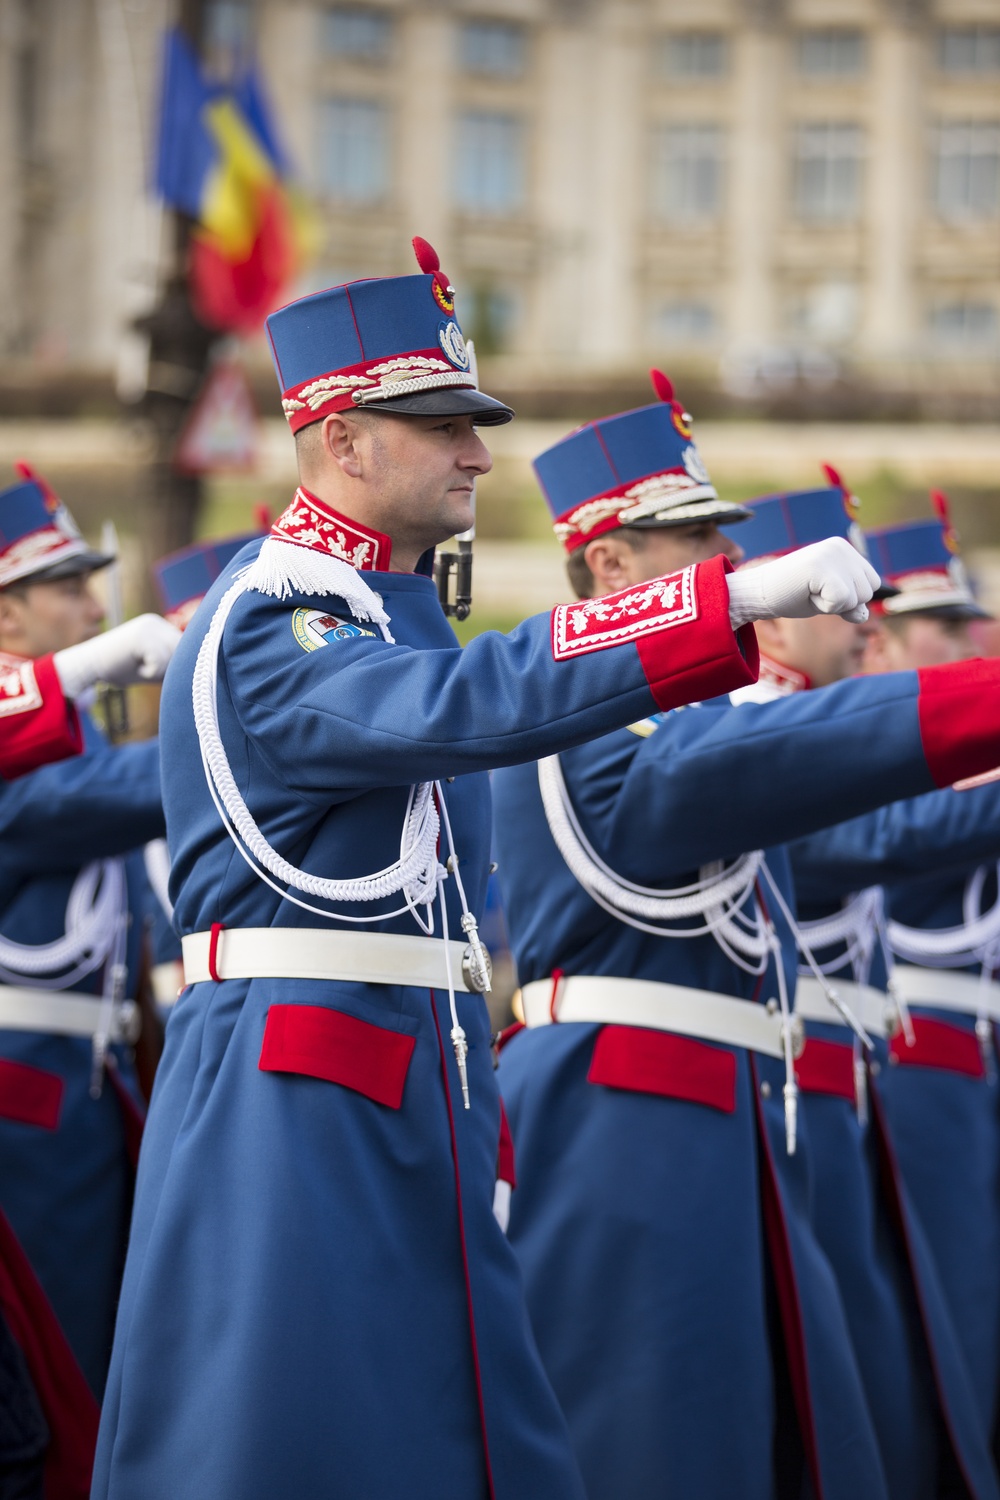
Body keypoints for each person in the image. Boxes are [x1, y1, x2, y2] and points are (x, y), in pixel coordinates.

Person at [92, 246, 876, 1500]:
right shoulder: (276, 617)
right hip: (292, 1101)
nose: (478, 454)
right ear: (344, 439)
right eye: (445, 425)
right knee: (283, 1448)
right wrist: (720, 604)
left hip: (401, 1092)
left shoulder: (375, 608)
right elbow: (469, 699)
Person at [491, 437, 1000, 1500]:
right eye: (697, 541)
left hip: (730, 1113)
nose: (732, 564)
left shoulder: (695, 719)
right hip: (621, 1120)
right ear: (612, 565)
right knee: (650, 1448)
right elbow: (826, 779)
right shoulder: (598, 723)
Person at [786, 496, 1000, 1475]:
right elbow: (896, 838)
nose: (961, 642)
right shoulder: (791, 736)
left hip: (910, 1065)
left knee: (949, 1351)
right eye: (937, 626)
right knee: (907, 1355)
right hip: (891, 1063)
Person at [0, 467, 178, 1499]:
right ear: (7, 613)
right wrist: (242, 714)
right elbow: (109, 796)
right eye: (67, 587)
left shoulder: (69, 734)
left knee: (93, 1372)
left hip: (85, 1091)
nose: (92, 606)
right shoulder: (24, 757)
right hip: (23, 1099)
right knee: (46, 1384)